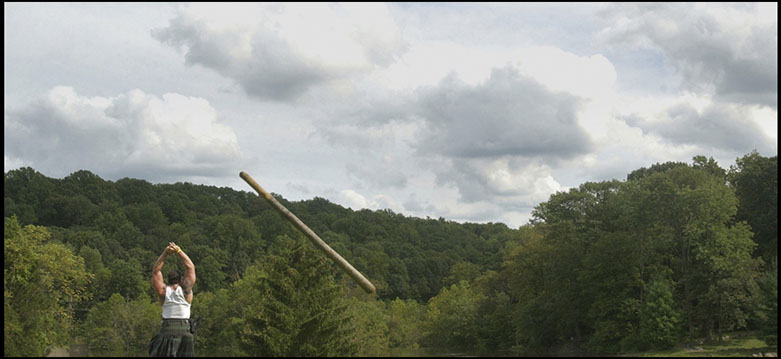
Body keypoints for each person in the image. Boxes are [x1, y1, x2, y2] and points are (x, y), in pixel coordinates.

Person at [148, 242, 196, 357]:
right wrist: (179, 251)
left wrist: (165, 253)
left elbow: (156, 271)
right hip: (184, 332)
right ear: (181, 279)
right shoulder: (186, 290)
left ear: (168, 280)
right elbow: (190, 267)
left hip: (166, 331)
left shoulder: (163, 291)